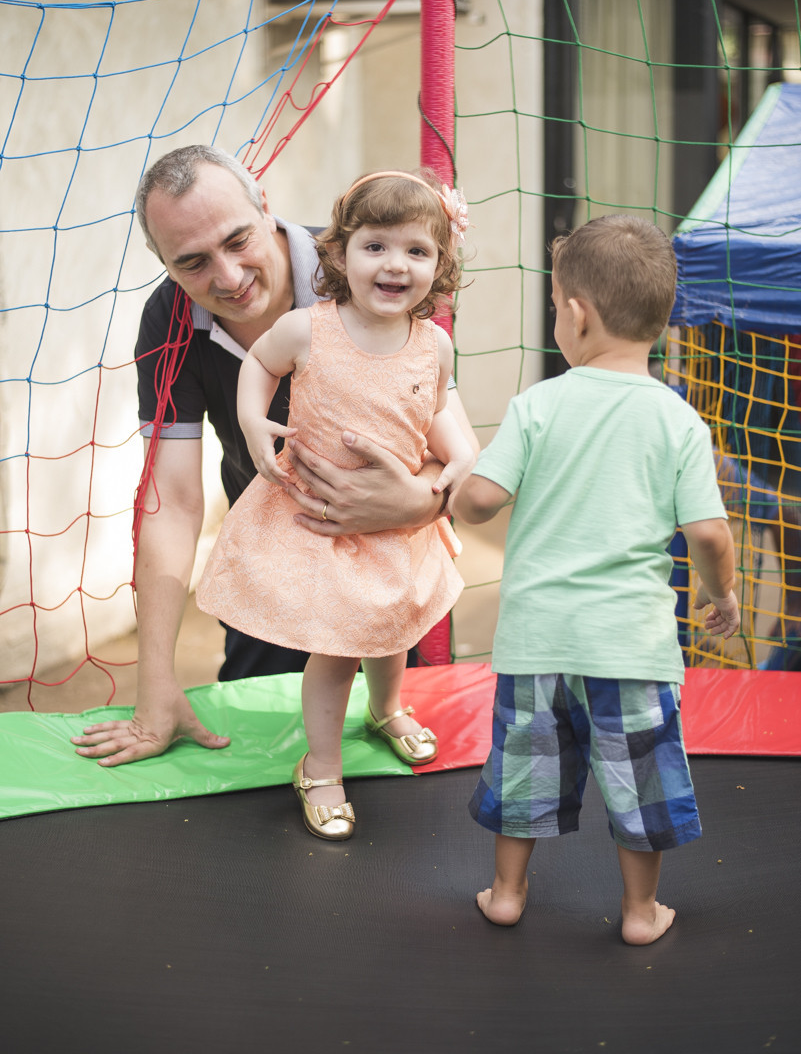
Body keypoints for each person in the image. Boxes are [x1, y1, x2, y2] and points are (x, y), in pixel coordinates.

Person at [71, 147, 477, 768]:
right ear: (164, 265)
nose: (229, 277)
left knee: (396, 730)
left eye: (238, 240)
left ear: (265, 204)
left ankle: (383, 712)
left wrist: (417, 502)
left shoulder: (375, 264)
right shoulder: (169, 320)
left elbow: (441, 429)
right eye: (193, 261)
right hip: (277, 555)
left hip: (390, 555)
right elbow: (174, 502)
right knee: (250, 759)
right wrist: (155, 686)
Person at [451, 214, 740, 943]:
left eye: (554, 306)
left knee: (523, 772)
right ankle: (640, 914)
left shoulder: (537, 404)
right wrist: (721, 593)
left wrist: (457, 489)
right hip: (628, 647)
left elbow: (480, 502)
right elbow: (707, 531)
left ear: (575, 314)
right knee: (637, 780)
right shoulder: (677, 420)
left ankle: (507, 892)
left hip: (534, 642)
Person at [195, 169, 476, 840]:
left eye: (416, 251)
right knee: (338, 650)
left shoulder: (431, 343)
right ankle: (319, 766)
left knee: (395, 628)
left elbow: (432, 409)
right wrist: (254, 422)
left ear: (438, 266)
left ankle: (385, 711)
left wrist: (462, 454)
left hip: (392, 523)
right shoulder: (308, 330)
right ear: (340, 252)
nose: (394, 265)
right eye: (375, 246)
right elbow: (257, 364)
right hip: (320, 522)